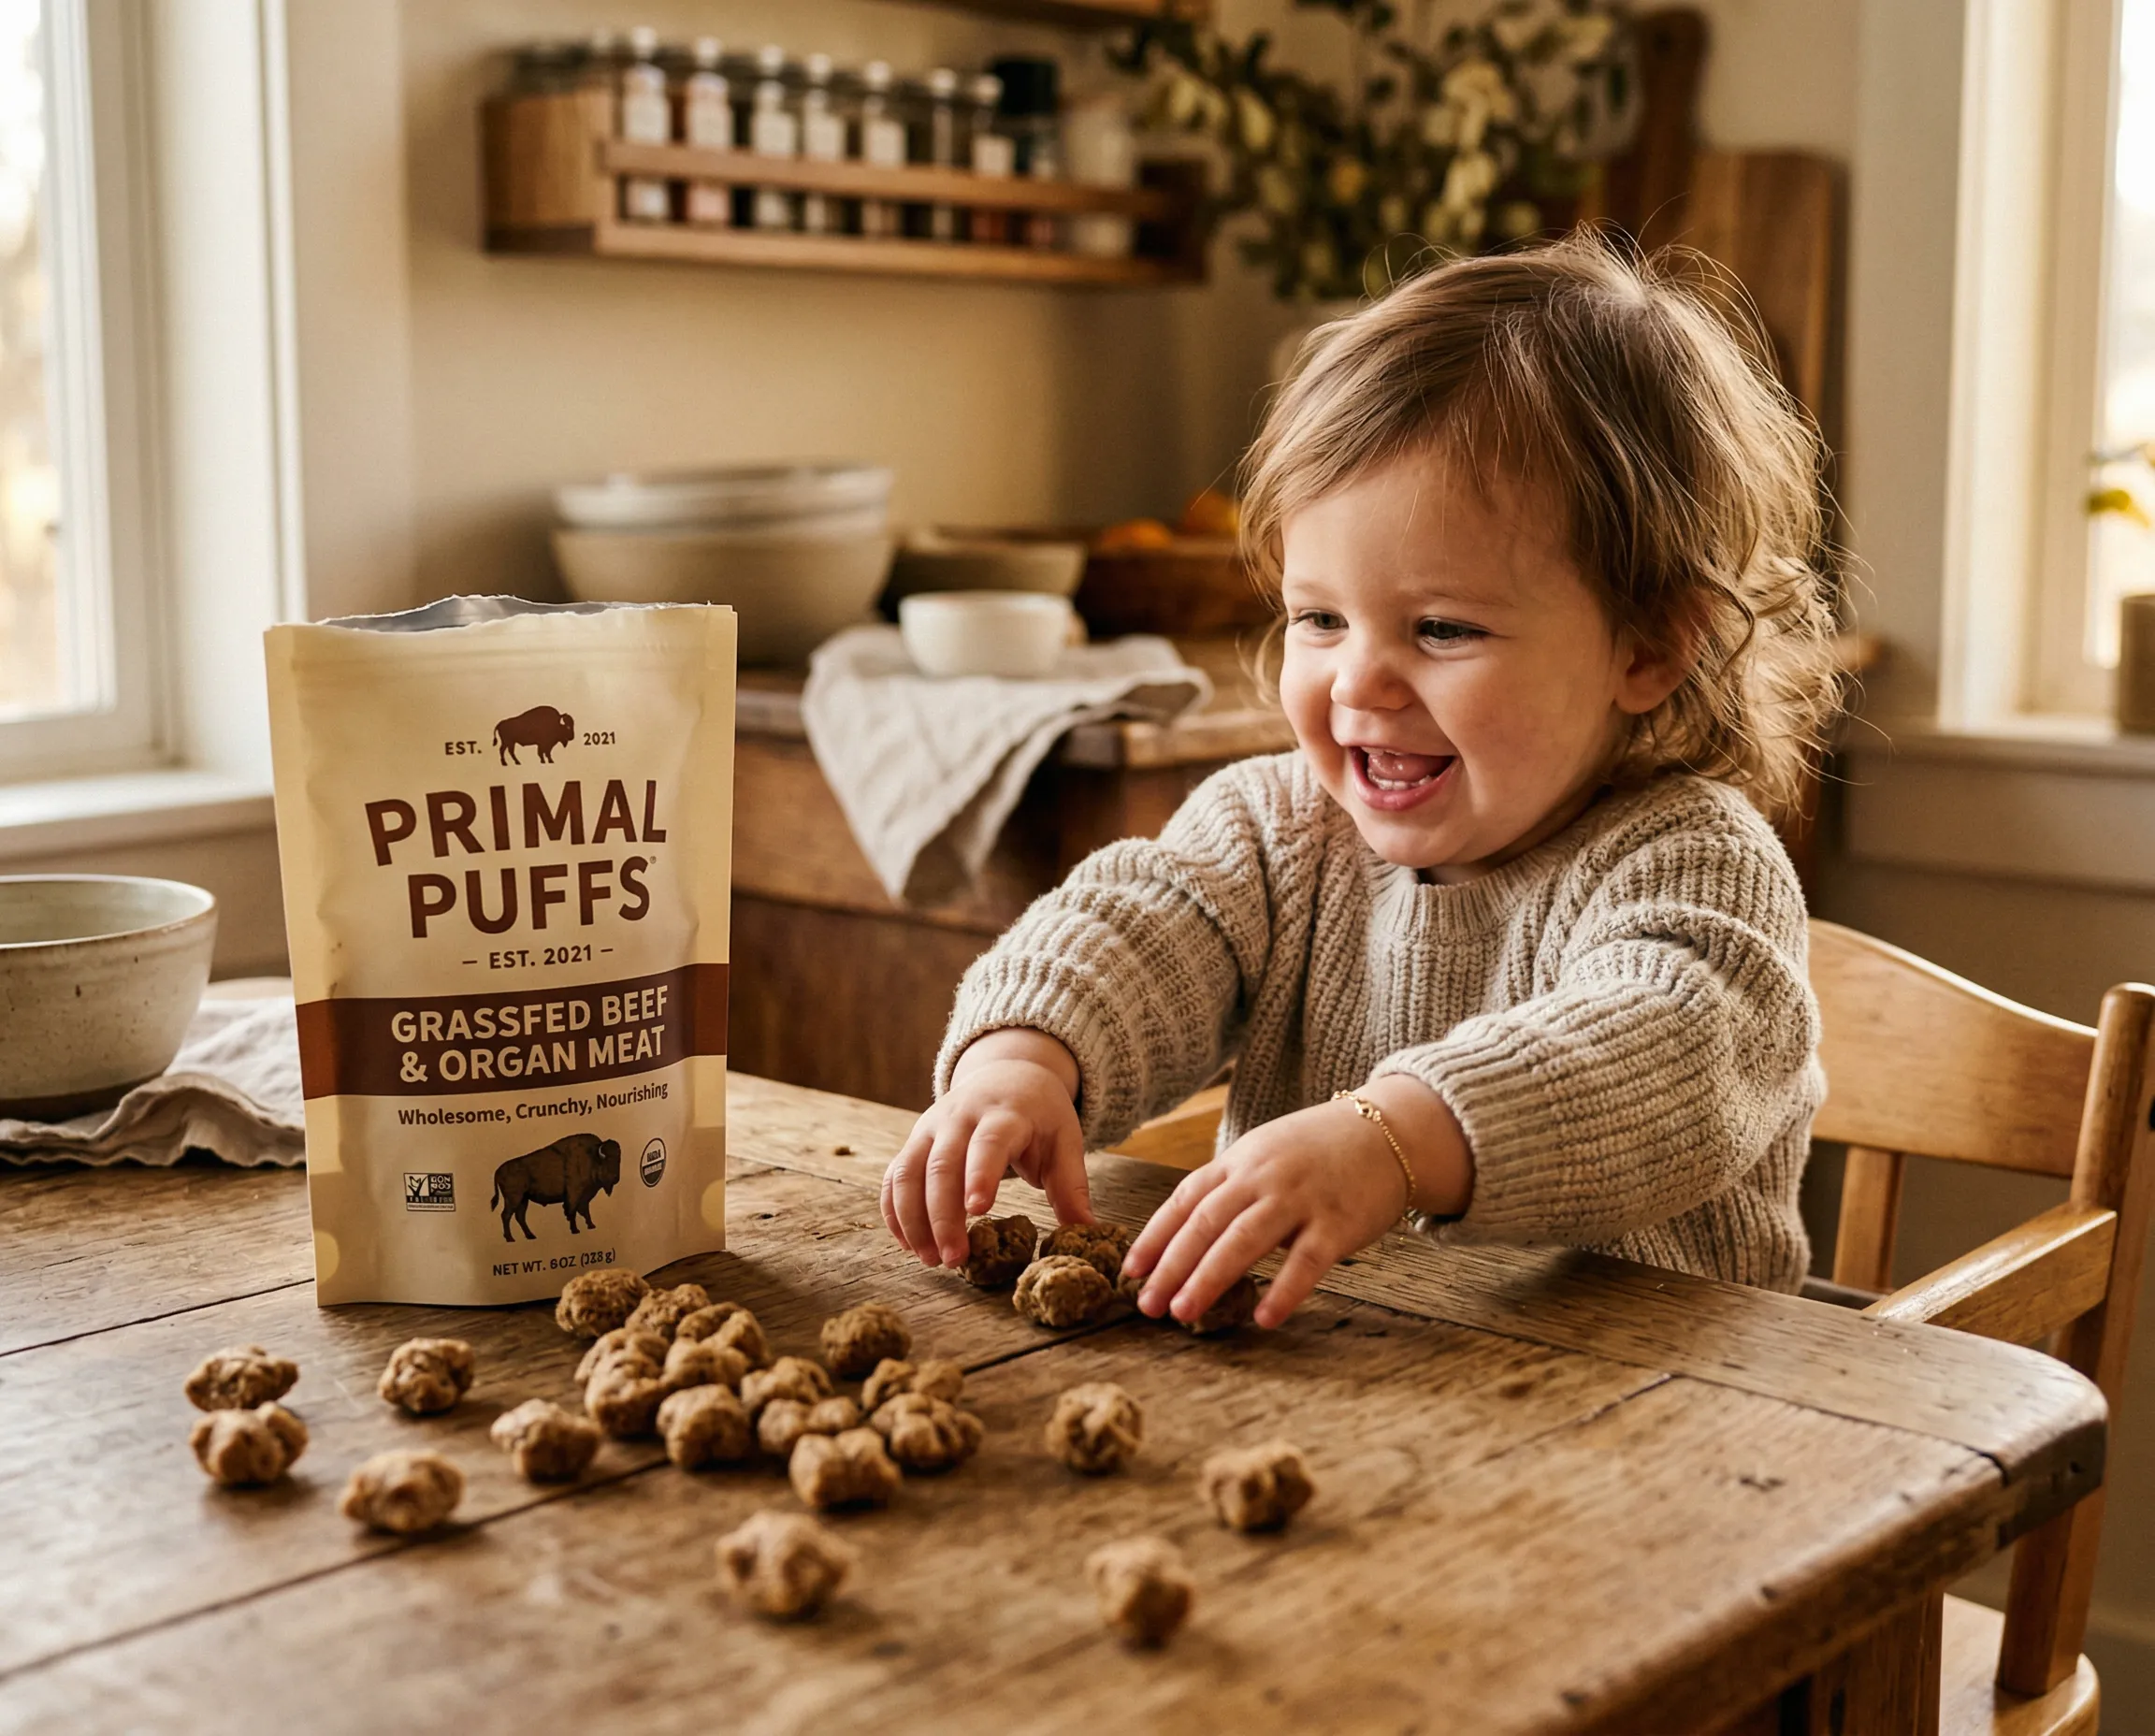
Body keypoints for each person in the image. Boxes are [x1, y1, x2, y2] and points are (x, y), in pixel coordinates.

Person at [880, 232, 1842, 1328]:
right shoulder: (1279, 827)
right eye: (1320, 618)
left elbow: (1666, 1053)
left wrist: (1395, 1138)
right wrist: (1024, 1055)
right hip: (1342, 1396)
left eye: (1441, 627)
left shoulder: (1698, 862)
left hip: (1667, 1425)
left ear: (1650, 646)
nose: (1359, 681)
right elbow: (1138, 921)